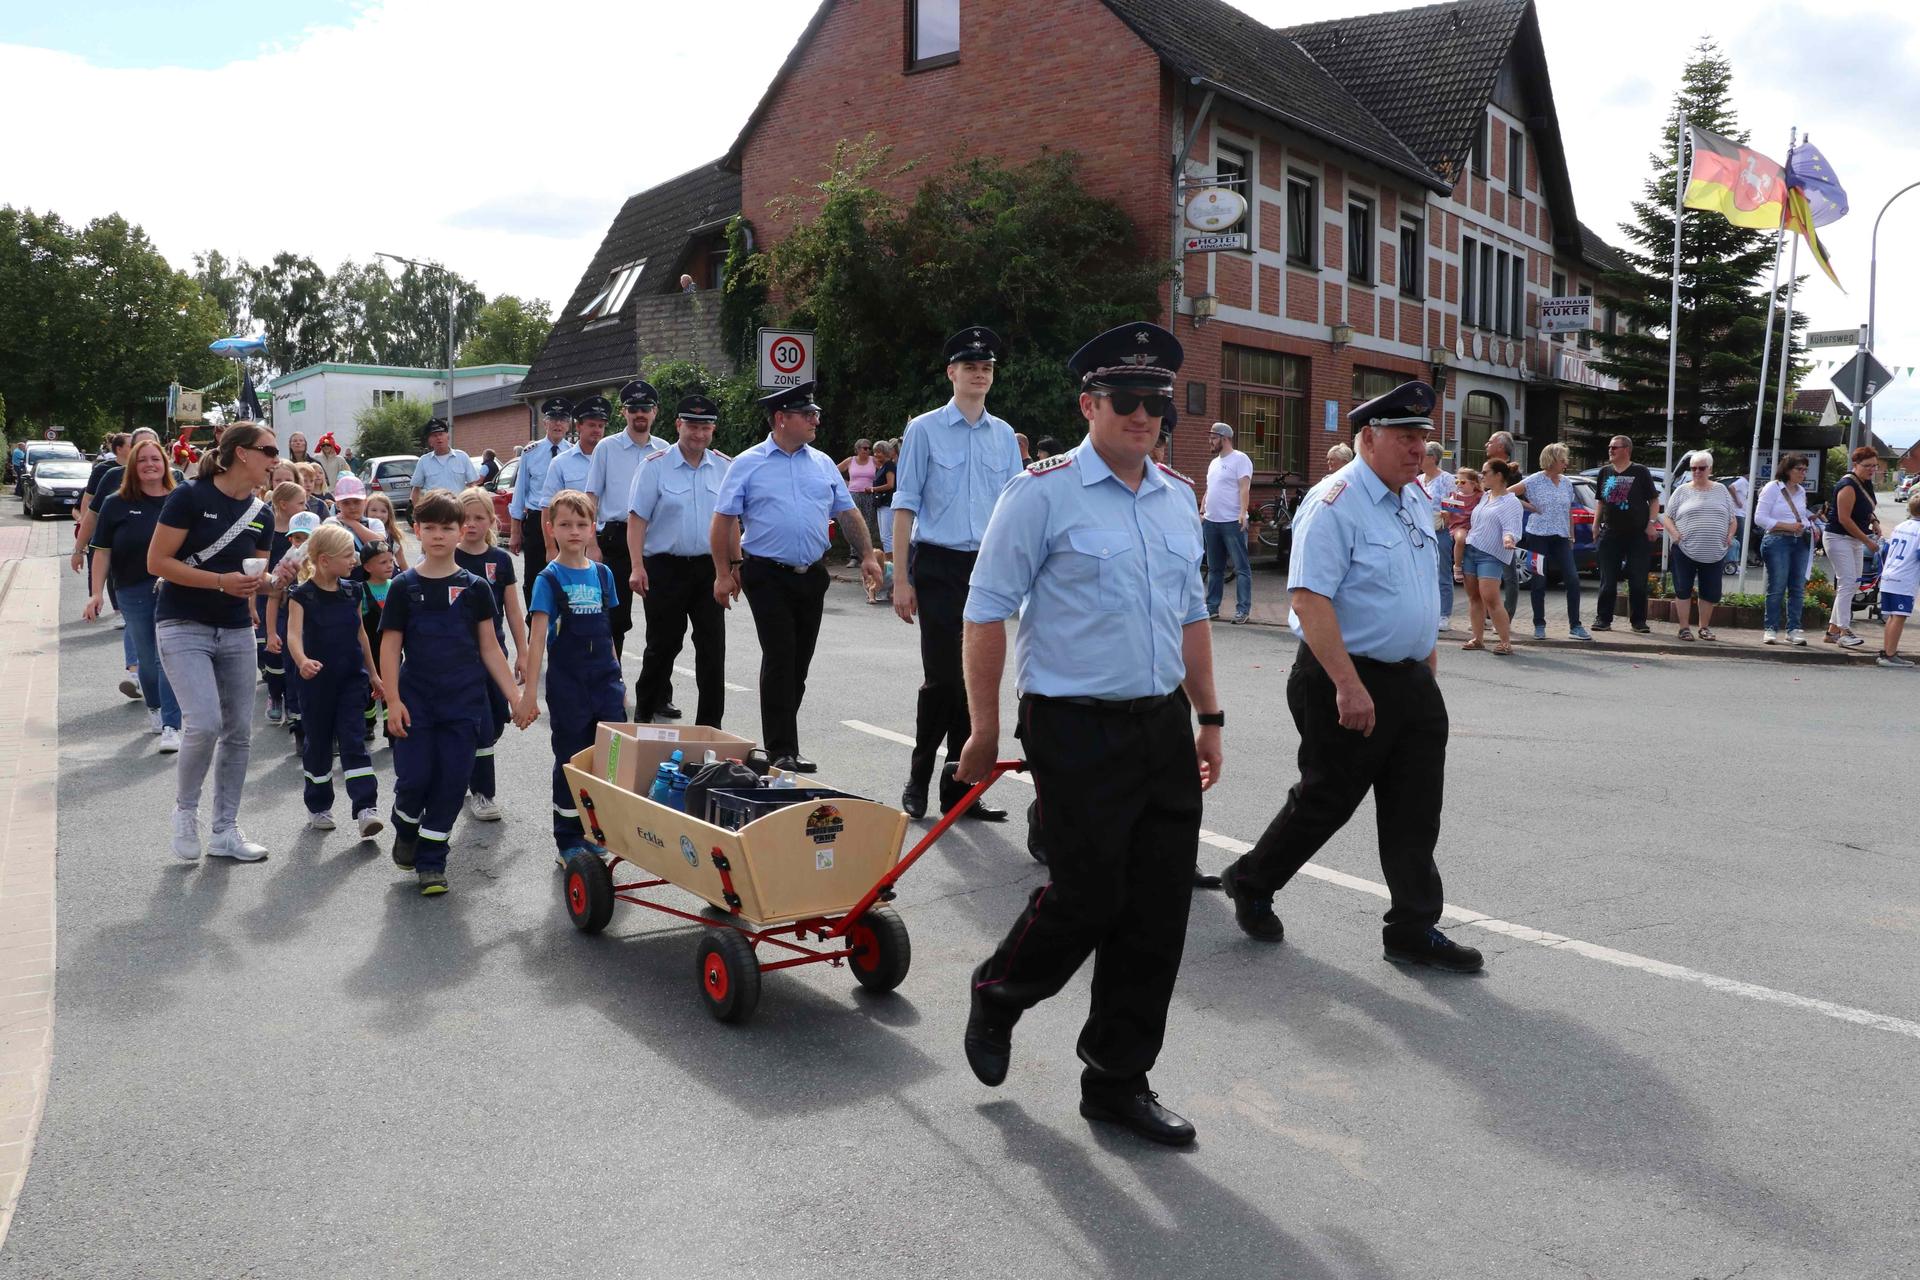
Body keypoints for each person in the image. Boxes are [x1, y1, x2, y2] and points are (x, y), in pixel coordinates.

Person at [953, 321, 1221, 1148]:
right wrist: (983, 728)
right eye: (1126, 399)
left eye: (1157, 402)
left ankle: (1116, 1080)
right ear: (1088, 405)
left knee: (1158, 910)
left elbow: (1191, 614)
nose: (1143, 416)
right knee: (1090, 895)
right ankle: (1000, 992)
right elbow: (985, 610)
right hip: (1072, 724)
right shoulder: (1041, 493)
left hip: (1161, 723)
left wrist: (1209, 717)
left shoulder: (1177, 498)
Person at [1220, 381, 1483, 976]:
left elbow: (1415, 586)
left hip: (1411, 679)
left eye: (1422, 436)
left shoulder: (1412, 497)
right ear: (1368, 438)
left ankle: (1412, 928)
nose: (1417, 448)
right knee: (1327, 800)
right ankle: (1253, 880)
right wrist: (1347, 684)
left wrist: (1424, 662)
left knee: (1416, 809)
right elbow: (1309, 598)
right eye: (1404, 436)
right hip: (1344, 673)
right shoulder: (1335, 501)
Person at [711, 381, 882, 773]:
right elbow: (723, 520)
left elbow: (847, 512)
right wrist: (724, 573)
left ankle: (783, 739)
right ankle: (782, 749)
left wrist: (868, 555)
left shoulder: (822, 463)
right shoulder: (748, 463)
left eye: (815, 414)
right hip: (766, 573)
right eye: (807, 415)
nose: (815, 421)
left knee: (798, 664)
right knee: (780, 656)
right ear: (781, 419)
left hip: (812, 575)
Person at [892, 328, 1023, 820]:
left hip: (985, 567)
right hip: (938, 564)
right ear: (952, 372)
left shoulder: (1004, 435)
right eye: (970, 367)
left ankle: (961, 790)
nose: (979, 374)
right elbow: (905, 505)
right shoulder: (924, 429)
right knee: (942, 678)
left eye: (986, 368)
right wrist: (901, 579)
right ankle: (919, 775)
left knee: (975, 682)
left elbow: (1014, 509)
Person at [378, 488, 521, 896]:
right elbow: (390, 646)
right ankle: (406, 825)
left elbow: (490, 648)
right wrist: (393, 701)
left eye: (447, 527)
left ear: (461, 531)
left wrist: (515, 697)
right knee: (414, 778)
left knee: (452, 782)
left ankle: (432, 862)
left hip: (464, 703)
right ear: (416, 530)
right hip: (415, 702)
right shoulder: (403, 586)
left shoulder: (475, 587)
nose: (438, 535)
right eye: (430, 527)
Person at [149, 422, 278, 865]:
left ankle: (225, 830)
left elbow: (257, 578)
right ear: (242, 453)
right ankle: (186, 813)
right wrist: (221, 581)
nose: (275, 459)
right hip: (182, 622)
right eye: (268, 450)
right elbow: (157, 562)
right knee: (204, 723)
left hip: (236, 628)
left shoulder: (263, 513)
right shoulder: (190, 496)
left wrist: (279, 580)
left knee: (239, 732)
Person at [516, 490, 623, 865]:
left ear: (593, 528)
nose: (574, 531)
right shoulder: (548, 579)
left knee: (608, 759)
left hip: (606, 683)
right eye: (565, 524)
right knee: (572, 759)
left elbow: (608, 633)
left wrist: (619, 682)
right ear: (551, 529)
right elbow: (537, 640)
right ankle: (568, 839)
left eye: (581, 524)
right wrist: (530, 695)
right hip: (569, 686)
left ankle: (597, 830)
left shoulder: (604, 574)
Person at [626, 394, 731, 728]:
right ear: (678, 426)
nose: (698, 434)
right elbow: (637, 520)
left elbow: (731, 522)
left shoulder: (724, 467)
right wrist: (637, 566)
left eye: (705, 427)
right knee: (663, 644)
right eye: (692, 426)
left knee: (712, 648)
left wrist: (733, 568)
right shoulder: (655, 465)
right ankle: (645, 713)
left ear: (713, 430)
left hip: (709, 569)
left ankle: (709, 726)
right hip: (665, 567)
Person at [286, 524, 385, 838]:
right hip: (316, 684)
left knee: (354, 740)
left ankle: (366, 807)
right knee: (319, 744)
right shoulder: (301, 595)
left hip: (351, 680)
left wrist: (374, 674)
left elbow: (361, 635)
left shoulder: (353, 591)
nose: (353, 560)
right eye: (347, 556)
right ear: (325, 560)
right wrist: (302, 661)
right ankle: (319, 806)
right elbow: (293, 635)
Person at [84, 436, 182, 752]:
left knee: (168, 655)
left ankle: (171, 724)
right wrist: (96, 593)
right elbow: (101, 551)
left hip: (176, 588)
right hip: (132, 589)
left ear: (165, 463)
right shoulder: (116, 503)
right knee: (148, 659)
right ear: (132, 467)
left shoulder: (180, 499)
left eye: (155, 459)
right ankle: (155, 706)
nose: (149, 465)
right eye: (142, 460)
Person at [585, 380, 672, 667]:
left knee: (661, 621)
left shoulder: (665, 449)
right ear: (624, 412)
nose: (640, 414)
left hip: (655, 541)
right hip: (616, 540)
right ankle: (612, 681)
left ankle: (656, 689)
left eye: (645, 408)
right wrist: (591, 544)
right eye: (633, 409)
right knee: (615, 620)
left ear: (655, 411)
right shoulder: (606, 448)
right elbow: (591, 498)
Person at [454, 488, 526, 822]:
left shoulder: (500, 560)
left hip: (494, 651)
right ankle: (483, 792)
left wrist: (523, 652)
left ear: (492, 521)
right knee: (480, 723)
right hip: (460, 656)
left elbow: (513, 610)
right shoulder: (449, 556)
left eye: (479, 518)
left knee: (496, 718)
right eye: (465, 518)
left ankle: (468, 758)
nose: (471, 524)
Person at [1510, 442, 1589, 640]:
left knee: (1572, 579)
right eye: (1563, 460)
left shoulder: (1566, 482)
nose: (1566, 463)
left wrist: (1571, 535)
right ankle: (1539, 624)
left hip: (1560, 537)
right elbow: (1507, 493)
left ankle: (1575, 626)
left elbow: (1568, 510)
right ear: (1552, 460)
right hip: (1537, 537)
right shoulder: (1534, 480)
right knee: (1539, 580)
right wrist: (1529, 506)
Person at [1661, 450, 1738, 642]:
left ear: (1710, 469)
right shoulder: (1682, 491)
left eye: (1701, 468)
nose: (1697, 472)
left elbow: (1732, 519)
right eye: (1693, 468)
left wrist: (1730, 535)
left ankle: (1704, 628)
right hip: (1685, 549)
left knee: (1710, 591)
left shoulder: (1721, 490)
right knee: (1683, 589)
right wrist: (1675, 535)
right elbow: (1667, 517)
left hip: (1714, 551)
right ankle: (1684, 628)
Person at [1592, 435, 1660, 634]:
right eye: (1609, 447)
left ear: (1627, 450)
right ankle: (1603, 619)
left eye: (1615, 447)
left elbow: (1654, 500)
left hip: (1637, 535)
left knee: (1638, 580)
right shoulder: (1605, 472)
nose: (1610, 450)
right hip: (1610, 533)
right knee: (1608, 580)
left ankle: (1638, 621)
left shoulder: (1640, 471)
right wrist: (1595, 525)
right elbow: (1601, 502)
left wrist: (1651, 524)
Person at [256, 484, 309, 727]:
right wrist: (270, 632)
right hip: (283, 618)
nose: (303, 544)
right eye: (298, 538)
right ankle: (276, 696)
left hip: (311, 624)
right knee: (278, 663)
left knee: (300, 668)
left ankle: (299, 715)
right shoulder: (286, 563)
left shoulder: (323, 563)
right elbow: (273, 595)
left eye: (308, 538)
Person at [1824, 445, 1883, 649]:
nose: (1871, 469)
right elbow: (1844, 519)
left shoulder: (1865, 483)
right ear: (1855, 464)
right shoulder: (1847, 485)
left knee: (1852, 583)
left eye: (1874, 466)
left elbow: (1866, 507)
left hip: (1854, 539)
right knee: (1847, 582)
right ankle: (1844, 630)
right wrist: (1867, 541)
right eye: (1867, 466)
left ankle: (1832, 631)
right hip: (1838, 537)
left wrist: (1874, 521)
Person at [1462, 458, 1522, 654]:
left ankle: (1505, 642)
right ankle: (1477, 639)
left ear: (1498, 475)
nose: (1482, 476)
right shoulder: (1485, 496)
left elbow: (1512, 527)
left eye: (1485, 472)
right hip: (1471, 549)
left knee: (1491, 598)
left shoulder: (1511, 502)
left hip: (1490, 553)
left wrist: (1509, 538)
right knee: (1474, 597)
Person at [511, 398, 573, 586]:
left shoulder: (573, 453)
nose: (558, 424)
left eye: (562, 420)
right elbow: (520, 492)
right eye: (553, 419)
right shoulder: (530, 452)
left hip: (566, 521)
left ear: (568, 425)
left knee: (566, 576)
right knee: (534, 577)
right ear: (545, 423)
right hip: (537, 521)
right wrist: (515, 532)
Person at [539, 396, 608, 558]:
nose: (597, 430)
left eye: (601, 426)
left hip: (609, 538)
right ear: (578, 426)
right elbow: (547, 507)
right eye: (591, 425)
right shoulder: (561, 462)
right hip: (574, 539)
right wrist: (550, 548)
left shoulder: (613, 459)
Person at [1757, 453, 1815, 645]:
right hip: (1777, 540)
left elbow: (1800, 516)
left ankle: (1794, 629)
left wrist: (1810, 525)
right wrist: (1787, 526)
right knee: (1777, 586)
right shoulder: (1772, 488)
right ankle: (1770, 628)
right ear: (1787, 469)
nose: (1803, 473)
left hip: (1800, 541)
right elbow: (1760, 518)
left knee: (1797, 587)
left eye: (1805, 470)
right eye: (1799, 469)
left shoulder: (1801, 491)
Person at [1202, 421, 1254, 624]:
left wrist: (1243, 513)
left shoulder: (1240, 459)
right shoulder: (1213, 463)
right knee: (1214, 569)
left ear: (1224, 439)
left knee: (1241, 568)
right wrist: (1202, 511)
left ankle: (1243, 610)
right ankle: (1212, 608)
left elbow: (1244, 487)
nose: (1210, 441)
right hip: (1211, 521)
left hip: (1232, 521)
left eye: (1213, 438)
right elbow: (1209, 489)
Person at [1874, 493, 1920, 668]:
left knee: (1892, 616)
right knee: (1899, 616)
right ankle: (1890, 655)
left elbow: (1886, 550)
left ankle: (1887, 651)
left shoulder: (1901, 526)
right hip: (1904, 579)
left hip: (1889, 575)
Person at [1415, 441, 1456, 631]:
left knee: (1442, 573)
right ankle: (1427, 612)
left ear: (1432, 458)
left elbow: (1455, 504)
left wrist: (1448, 512)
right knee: (1422, 573)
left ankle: (1444, 614)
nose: (1417, 459)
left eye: (1421, 456)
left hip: (1440, 531)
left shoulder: (1446, 479)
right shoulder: (1419, 479)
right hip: (1420, 531)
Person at [359, 540, 397, 742]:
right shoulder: (362, 591)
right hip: (370, 651)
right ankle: (368, 723)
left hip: (392, 650)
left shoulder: (396, 587)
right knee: (368, 688)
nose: (389, 565)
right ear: (367, 567)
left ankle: (392, 727)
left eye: (391, 561)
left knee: (392, 686)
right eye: (383, 562)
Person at [410, 417, 480, 497]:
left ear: (448, 437)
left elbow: (473, 485)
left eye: (441, 434)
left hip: (458, 504)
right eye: (434, 435)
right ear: (430, 441)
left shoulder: (462, 457)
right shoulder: (424, 461)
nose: (438, 438)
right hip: (434, 504)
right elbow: (416, 489)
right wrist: (416, 505)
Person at [869, 439, 898, 604]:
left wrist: (873, 489)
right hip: (881, 505)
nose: (875, 454)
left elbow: (890, 484)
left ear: (885, 452)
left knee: (887, 537)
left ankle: (890, 566)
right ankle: (887, 564)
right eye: (875, 452)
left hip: (888, 504)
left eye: (878, 452)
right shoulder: (881, 466)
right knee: (884, 536)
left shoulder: (889, 466)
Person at [839, 438, 880, 546]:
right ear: (857, 449)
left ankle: (868, 550)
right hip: (853, 494)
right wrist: (845, 483)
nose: (867, 450)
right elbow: (834, 470)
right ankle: (854, 552)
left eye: (869, 448)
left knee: (868, 523)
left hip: (869, 495)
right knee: (854, 523)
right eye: (865, 448)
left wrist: (878, 486)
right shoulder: (850, 460)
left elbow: (885, 471)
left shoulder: (873, 460)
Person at [363, 492, 409, 573]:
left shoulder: (392, 536)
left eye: (383, 511)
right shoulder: (359, 531)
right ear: (366, 512)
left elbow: (402, 561)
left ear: (389, 514)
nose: (378, 515)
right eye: (374, 510)